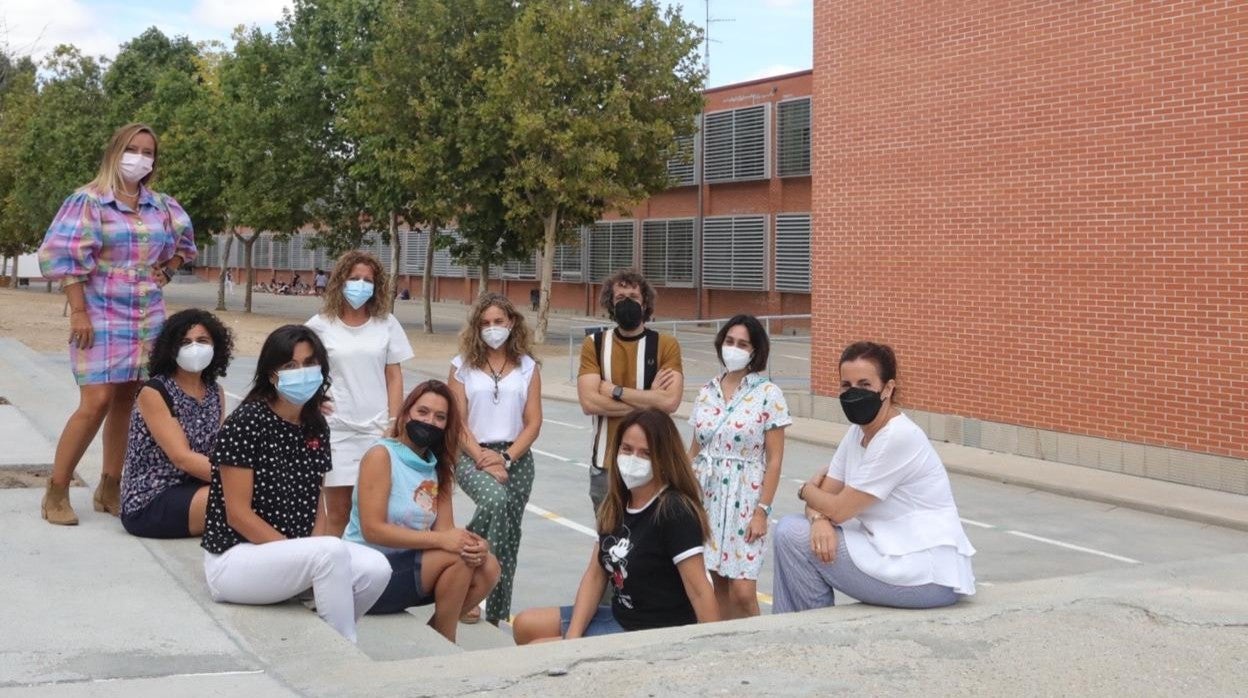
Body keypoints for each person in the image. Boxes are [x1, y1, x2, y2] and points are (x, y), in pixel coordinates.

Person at [36, 122, 197, 526]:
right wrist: (78, 311)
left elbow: (184, 244)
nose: (140, 157)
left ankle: (111, 485)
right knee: (96, 402)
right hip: (100, 310)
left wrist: (169, 270)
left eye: (148, 151)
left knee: (131, 399)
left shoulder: (160, 205)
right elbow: (62, 258)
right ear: (115, 150)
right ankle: (56, 489)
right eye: (133, 148)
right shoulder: (88, 201)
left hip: (147, 315)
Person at [201, 325, 391, 643]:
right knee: (329, 552)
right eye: (290, 366)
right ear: (271, 373)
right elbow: (237, 515)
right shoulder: (246, 423)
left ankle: (325, 634)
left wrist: (308, 552)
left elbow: (316, 501)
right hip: (236, 559)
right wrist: (302, 554)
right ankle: (342, 649)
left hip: (292, 557)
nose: (301, 372)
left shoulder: (315, 426)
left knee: (376, 569)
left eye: (309, 364)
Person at [772, 341, 977, 612]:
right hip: (891, 554)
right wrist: (820, 518)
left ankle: (812, 631)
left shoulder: (896, 437)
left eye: (865, 384)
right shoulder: (858, 432)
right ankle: (801, 628)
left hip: (926, 573)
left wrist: (806, 488)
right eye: (846, 385)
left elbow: (838, 508)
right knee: (798, 530)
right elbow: (826, 504)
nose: (854, 392)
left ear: (888, 388)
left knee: (791, 533)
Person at [512, 408, 719, 643]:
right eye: (627, 449)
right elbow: (595, 575)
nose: (633, 460)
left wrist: (711, 648)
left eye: (645, 454)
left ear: (663, 459)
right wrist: (574, 637)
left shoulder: (674, 510)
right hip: (621, 617)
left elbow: (700, 591)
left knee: (538, 648)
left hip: (652, 633)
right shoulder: (617, 503)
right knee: (524, 624)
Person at [345, 380, 501, 643]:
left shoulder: (437, 467)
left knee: (488, 566)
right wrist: (444, 540)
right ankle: (446, 638)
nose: (430, 421)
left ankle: (436, 636)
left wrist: (477, 545)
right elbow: (372, 530)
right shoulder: (381, 455)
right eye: (423, 412)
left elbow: (447, 532)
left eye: (440, 417)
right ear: (406, 413)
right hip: (367, 574)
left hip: (406, 568)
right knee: (457, 557)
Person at [447, 293, 542, 625]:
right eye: (485, 323)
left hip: (516, 456)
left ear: (511, 323)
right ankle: (466, 578)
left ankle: (496, 611)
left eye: (498, 322)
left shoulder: (528, 367)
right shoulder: (461, 367)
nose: (492, 329)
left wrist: (506, 457)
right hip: (472, 453)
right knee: (494, 502)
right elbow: (457, 422)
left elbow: (533, 422)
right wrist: (484, 458)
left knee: (509, 533)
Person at [688, 315, 790, 619]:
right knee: (716, 583)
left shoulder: (768, 394)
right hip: (707, 497)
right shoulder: (706, 391)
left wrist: (763, 511)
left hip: (746, 498)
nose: (734, 348)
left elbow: (774, 460)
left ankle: (756, 644)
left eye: (742, 344)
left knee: (743, 591)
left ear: (755, 351)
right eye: (730, 341)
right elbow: (694, 449)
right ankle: (727, 645)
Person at [306, 250, 414, 537]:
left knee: (374, 513)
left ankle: (370, 576)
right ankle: (330, 574)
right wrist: (314, 400)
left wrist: (394, 421)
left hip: (378, 431)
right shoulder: (319, 325)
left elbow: (394, 376)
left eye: (368, 279)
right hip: (336, 430)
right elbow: (300, 368)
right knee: (339, 512)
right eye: (355, 278)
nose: (361, 284)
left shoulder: (387, 323)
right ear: (340, 281)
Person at [120, 309, 234, 538]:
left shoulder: (215, 392)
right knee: (247, 496)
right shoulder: (155, 391)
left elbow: (217, 449)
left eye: (202, 341)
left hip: (197, 487)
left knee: (253, 496)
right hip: (152, 498)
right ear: (171, 349)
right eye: (185, 342)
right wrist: (241, 479)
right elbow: (181, 457)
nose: (195, 348)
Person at [577, 269, 683, 513]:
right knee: (608, 542)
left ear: (645, 303)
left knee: (651, 543)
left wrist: (613, 390)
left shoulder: (665, 345)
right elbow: (589, 403)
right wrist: (649, 400)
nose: (627, 302)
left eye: (633, 297)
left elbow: (670, 402)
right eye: (620, 297)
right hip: (606, 465)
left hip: (655, 464)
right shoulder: (594, 344)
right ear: (610, 304)